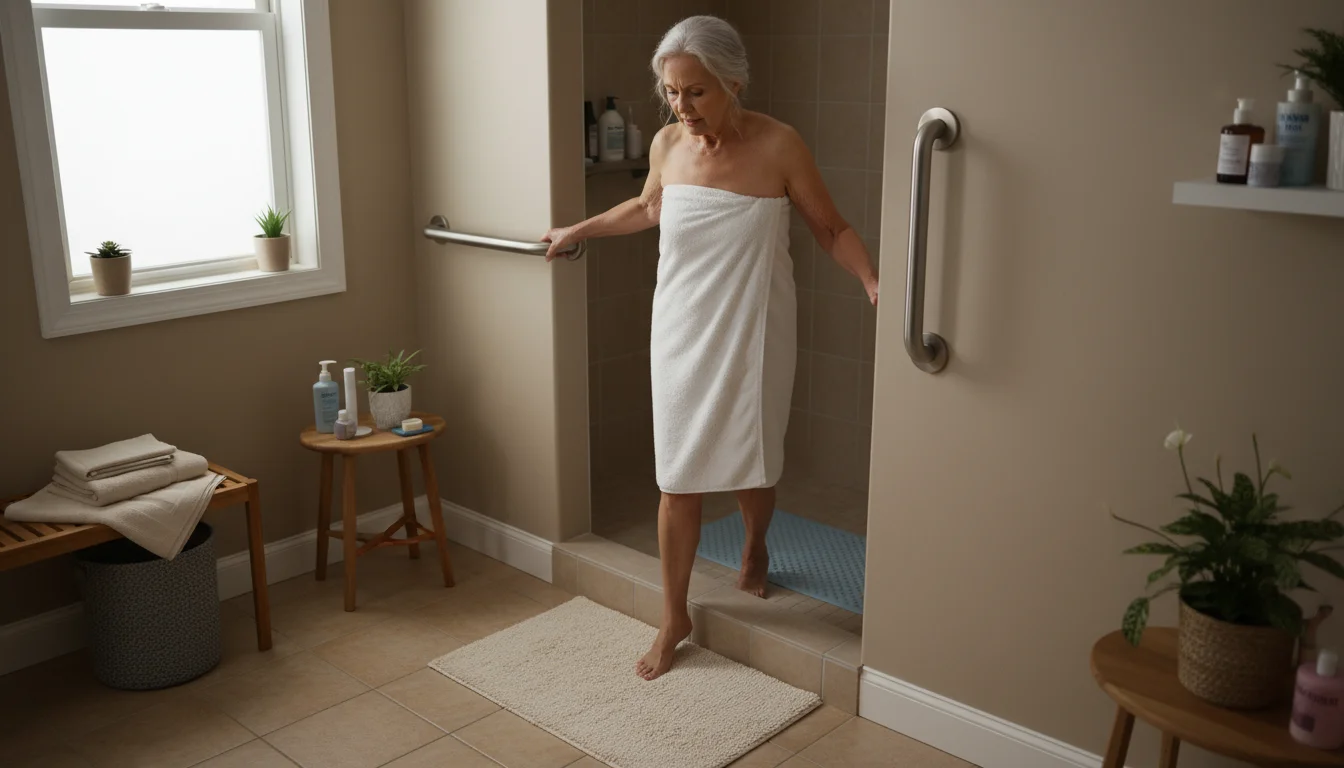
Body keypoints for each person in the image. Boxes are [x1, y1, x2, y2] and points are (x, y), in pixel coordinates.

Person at [542, 15, 879, 681]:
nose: (681, 107)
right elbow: (645, 210)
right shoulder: (667, 145)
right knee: (678, 474)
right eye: (671, 92)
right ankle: (675, 616)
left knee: (752, 460)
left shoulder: (780, 146)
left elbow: (830, 225)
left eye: (695, 92)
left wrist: (872, 279)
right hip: (680, 330)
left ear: (733, 81)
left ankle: (755, 546)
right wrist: (576, 228)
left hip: (752, 330)